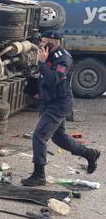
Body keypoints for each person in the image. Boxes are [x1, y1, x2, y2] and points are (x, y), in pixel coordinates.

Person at [21, 30, 100, 186]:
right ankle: (89, 154)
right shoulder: (48, 54)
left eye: (44, 42)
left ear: (54, 42)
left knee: (39, 136)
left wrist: (42, 63)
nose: (41, 45)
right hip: (49, 101)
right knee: (59, 138)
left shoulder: (63, 59)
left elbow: (53, 79)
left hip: (59, 104)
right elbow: (43, 78)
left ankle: (39, 175)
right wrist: (36, 90)